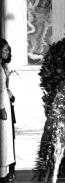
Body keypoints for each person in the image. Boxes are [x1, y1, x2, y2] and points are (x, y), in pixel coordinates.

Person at [0, 38, 16, 182]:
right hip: (2, 107)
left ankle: (3, 172)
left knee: (5, 139)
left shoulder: (1, 66)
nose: (8, 52)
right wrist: (1, 108)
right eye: (5, 49)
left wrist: (7, 90)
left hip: (4, 103)